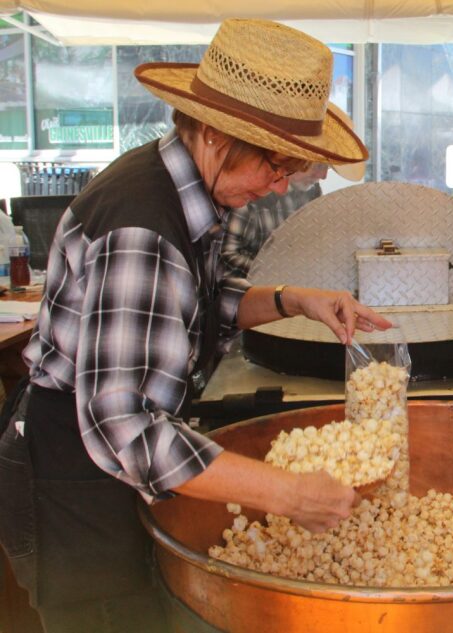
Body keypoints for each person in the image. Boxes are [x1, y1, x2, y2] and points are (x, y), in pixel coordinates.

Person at [0, 18, 391, 633]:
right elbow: (123, 427)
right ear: (214, 133)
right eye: (274, 163)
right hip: (76, 494)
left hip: (104, 479)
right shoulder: (141, 231)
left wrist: (293, 300)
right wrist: (285, 492)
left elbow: (194, 303)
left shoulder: (178, 188)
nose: (279, 185)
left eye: (292, 168)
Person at [221, 125, 366, 279]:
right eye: (318, 166)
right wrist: (276, 273)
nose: (323, 176)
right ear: (295, 160)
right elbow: (227, 255)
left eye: (327, 168)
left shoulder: (312, 193)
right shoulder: (253, 190)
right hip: (250, 294)